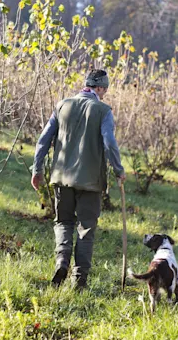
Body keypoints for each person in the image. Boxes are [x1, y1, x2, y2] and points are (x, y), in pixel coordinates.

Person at [31, 69, 126, 289]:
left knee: (63, 222)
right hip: (90, 182)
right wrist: (118, 170)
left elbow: (43, 140)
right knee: (86, 228)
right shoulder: (103, 111)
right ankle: (79, 280)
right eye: (105, 89)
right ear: (100, 88)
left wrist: (37, 170)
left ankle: (61, 261)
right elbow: (109, 143)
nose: (105, 94)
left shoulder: (62, 105)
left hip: (61, 178)